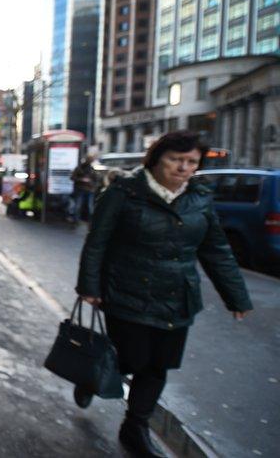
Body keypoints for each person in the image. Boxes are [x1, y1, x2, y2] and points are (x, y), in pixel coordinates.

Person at [76, 131, 252, 458]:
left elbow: (216, 249)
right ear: (156, 159)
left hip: (177, 298)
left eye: (191, 162)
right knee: (129, 359)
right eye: (175, 159)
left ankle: (135, 426)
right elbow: (97, 242)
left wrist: (236, 297)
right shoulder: (123, 192)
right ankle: (93, 376)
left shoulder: (199, 197)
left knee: (157, 366)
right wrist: (89, 286)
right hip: (126, 293)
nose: (183, 168)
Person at [68, 153, 101, 223]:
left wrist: (93, 186)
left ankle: (89, 220)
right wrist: (81, 179)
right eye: (89, 159)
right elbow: (72, 177)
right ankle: (77, 219)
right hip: (81, 189)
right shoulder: (80, 168)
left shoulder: (92, 169)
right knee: (78, 205)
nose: (90, 161)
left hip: (89, 189)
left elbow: (96, 180)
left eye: (91, 160)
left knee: (89, 206)